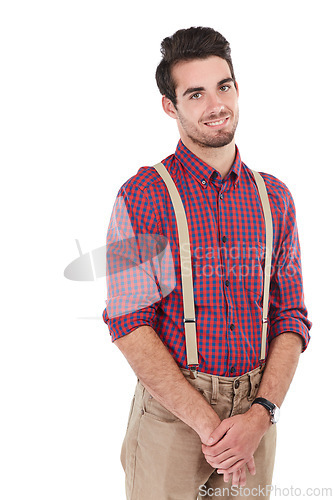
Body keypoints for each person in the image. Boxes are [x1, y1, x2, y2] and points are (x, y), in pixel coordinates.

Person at [103, 26, 312, 499]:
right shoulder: (141, 196)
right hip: (172, 416)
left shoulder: (274, 197)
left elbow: (291, 318)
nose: (216, 104)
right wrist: (211, 426)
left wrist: (259, 416)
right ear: (170, 106)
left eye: (224, 86)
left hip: (255, 414)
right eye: (195, 93)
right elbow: (128, 322)